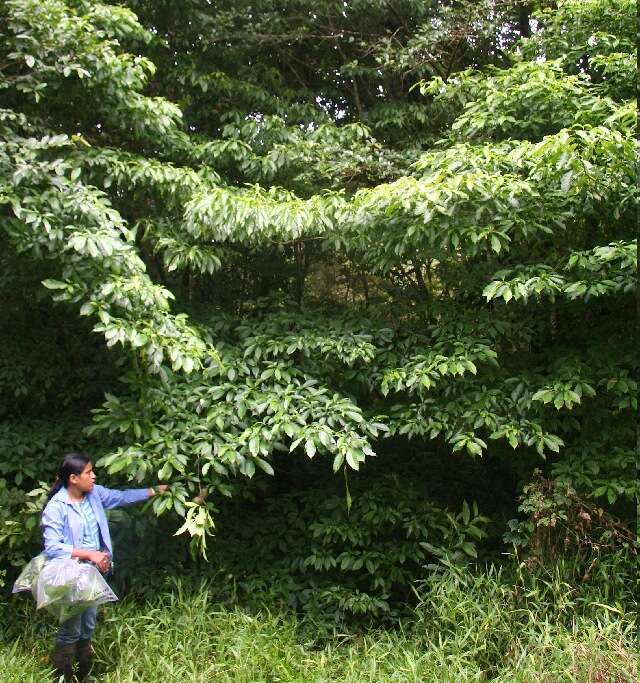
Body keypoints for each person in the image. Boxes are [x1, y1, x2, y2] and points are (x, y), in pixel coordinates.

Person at [41, 452, 167, 682]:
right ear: (73, 478)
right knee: (70, 629)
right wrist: (90, 553)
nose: (94, 476)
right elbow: (53, 547)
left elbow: (121, 497)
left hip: (93, 573)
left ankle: (84, 676)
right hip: (70, 575)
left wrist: (153, 491)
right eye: (88, 472)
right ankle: (63, 677)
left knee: (88, 625)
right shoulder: (57, 507)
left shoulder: (94, 494)